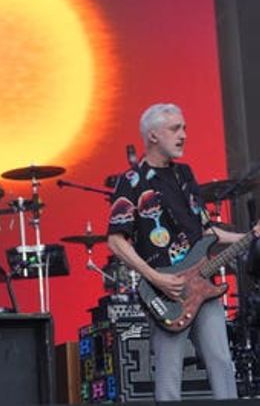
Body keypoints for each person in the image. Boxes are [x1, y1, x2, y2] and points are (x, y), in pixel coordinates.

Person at [107, 103, 259, 401]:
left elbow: (204, 232)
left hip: (204, 285)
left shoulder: (184, 175)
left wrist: (249, 235)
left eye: (185, 128)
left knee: (221, 361)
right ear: (152, 136)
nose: (183, 135)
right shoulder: (132, 181)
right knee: (169, 373)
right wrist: (156, 278)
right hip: (166, 291)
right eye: (175, 129)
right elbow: (116, 241)